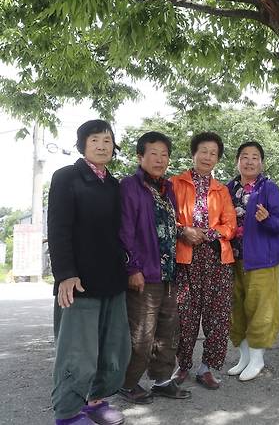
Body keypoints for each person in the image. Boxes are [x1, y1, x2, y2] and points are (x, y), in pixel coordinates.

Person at [48, 120, 130, 425]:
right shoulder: (67, 177)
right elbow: (58, 228)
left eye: (107, 141)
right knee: (77, 352)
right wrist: (65, 274)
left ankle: (96, 401)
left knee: (112, 349)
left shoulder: (113, 183)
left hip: (111, 278)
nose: (102, 146)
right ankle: (68, 413)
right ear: (82, 144)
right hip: (79, 281)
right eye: (95, 140)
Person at [118, 131, 190, 403]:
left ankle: (161, 380)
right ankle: (127, 382)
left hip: (169, 272)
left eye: (164, 155)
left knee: (168, 330)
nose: (160, 159)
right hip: (144, 274)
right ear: (140, 157)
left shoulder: (167, 188)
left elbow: (169, 227)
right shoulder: (129, 186)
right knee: (141, 333)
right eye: (153, 154)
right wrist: (132, 268)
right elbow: (125, 232)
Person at [169, 132, 237, 390]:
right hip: (185, 257)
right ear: (193, 153)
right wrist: (184, 230)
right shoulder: (174, 184)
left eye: (213, 153)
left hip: (217, 259)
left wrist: (207, 233)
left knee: (218, 316)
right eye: (203, 151)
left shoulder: (222, 190)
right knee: (184, 316)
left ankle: (208, 368)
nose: (208, 156)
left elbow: (230, 226)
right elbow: (166, 218)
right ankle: (183, 366)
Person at [226, 141, 279, 381]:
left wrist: (267, 219)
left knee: (260, 309)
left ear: (261, 162)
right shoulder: (227, 189)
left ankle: (257, 359)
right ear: (237, 162)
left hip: (261, 258)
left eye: (254, 157)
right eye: (244, 156)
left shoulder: (268, 188)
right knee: (236, 308)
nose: (249, 161)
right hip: (231, 258)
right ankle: (244, 358)